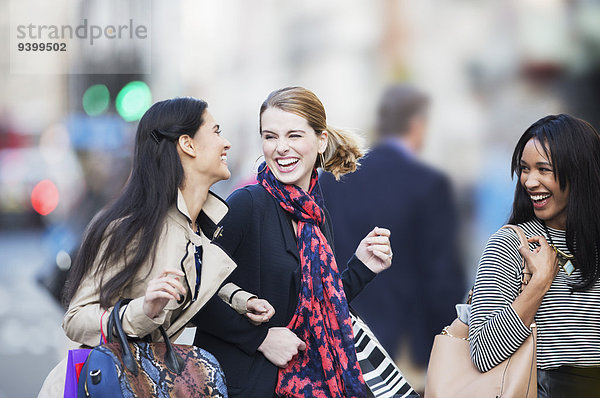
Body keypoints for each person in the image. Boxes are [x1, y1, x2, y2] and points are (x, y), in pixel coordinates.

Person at [39, 97, 270, 396]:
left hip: (145, 384)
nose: (225, 143)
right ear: (187, 144)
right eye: (215, 131)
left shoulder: (198, 226)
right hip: (102, 386)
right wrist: (142, 309)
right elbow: (76, 318)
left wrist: (240, 299)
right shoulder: (133, 228)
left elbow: (188, 283)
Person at [193, 86, 393, 398]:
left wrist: (361, 268)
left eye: (294, 136)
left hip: (309, 384)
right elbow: (194, 294)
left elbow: (319, 309)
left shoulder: (315, 216)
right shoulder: (248, 204)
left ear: (321, 141)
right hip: (247, 385)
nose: (281, 148)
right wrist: (259, 338)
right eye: (270, 136)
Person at [319, 84, 465, 381]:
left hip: (339, 342)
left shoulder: (331, 181)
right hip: (407, 351)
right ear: (417, 125)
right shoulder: (428, 184)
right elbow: (442, 276)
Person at [469, 114, 600, 396]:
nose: (529, 181)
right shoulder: (510, 246)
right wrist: (539, 284)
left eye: (543, 169)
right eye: (524, 169)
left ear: (579, 172)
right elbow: (481, 353)